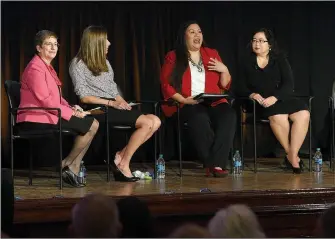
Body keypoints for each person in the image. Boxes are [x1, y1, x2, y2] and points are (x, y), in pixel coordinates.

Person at [70, 26, 161, 182]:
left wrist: (120, 101)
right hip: (96, 110)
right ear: (96, 43)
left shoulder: (105, 62)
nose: (109, 43)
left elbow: (113, 89)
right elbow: (84, 97)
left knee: (156, 121)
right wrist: (111, 103)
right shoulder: (77, 64)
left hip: (111, 106)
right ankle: (124, 163)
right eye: (105, 40)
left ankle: (121, 156)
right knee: (147, 122)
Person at [17, 30, 99, 188]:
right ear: (39, 48)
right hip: (35, 118)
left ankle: (71, 167)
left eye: (55, 44)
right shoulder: (35, 68)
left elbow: (57, 98)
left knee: (93, 123)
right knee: (91, 125)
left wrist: (71, 107)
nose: (53, 47)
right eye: (48, 44)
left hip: (48, 113)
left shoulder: (47, 67)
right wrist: (70, 113)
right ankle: (68, 164)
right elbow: (46, 101)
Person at [160, 20, 236, 177]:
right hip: (189, 102)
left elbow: (224, 84)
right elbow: (166, 84)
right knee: (199, 118)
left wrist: (225, 70)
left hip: (213, 100)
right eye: (192, 32)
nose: (197, 35)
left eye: (199, 32)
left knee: (229, 115)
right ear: (184, 36)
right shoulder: (174, 56)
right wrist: (183, 100)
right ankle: (216, 165)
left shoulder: (212, 53)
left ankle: (214, 164)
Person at [237, 28, 310, 174]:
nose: (257, 44)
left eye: (261, 41)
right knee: (278, 116)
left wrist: (276, 97)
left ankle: (291, 155)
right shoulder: (246, 61)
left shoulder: (279, 59)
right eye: (254, 40)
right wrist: (252, 94)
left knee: (303, 114)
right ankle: (293, 158)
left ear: (269, 44)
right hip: (260, 103)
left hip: (280, 98)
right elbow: (238, 86)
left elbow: (289, 84)